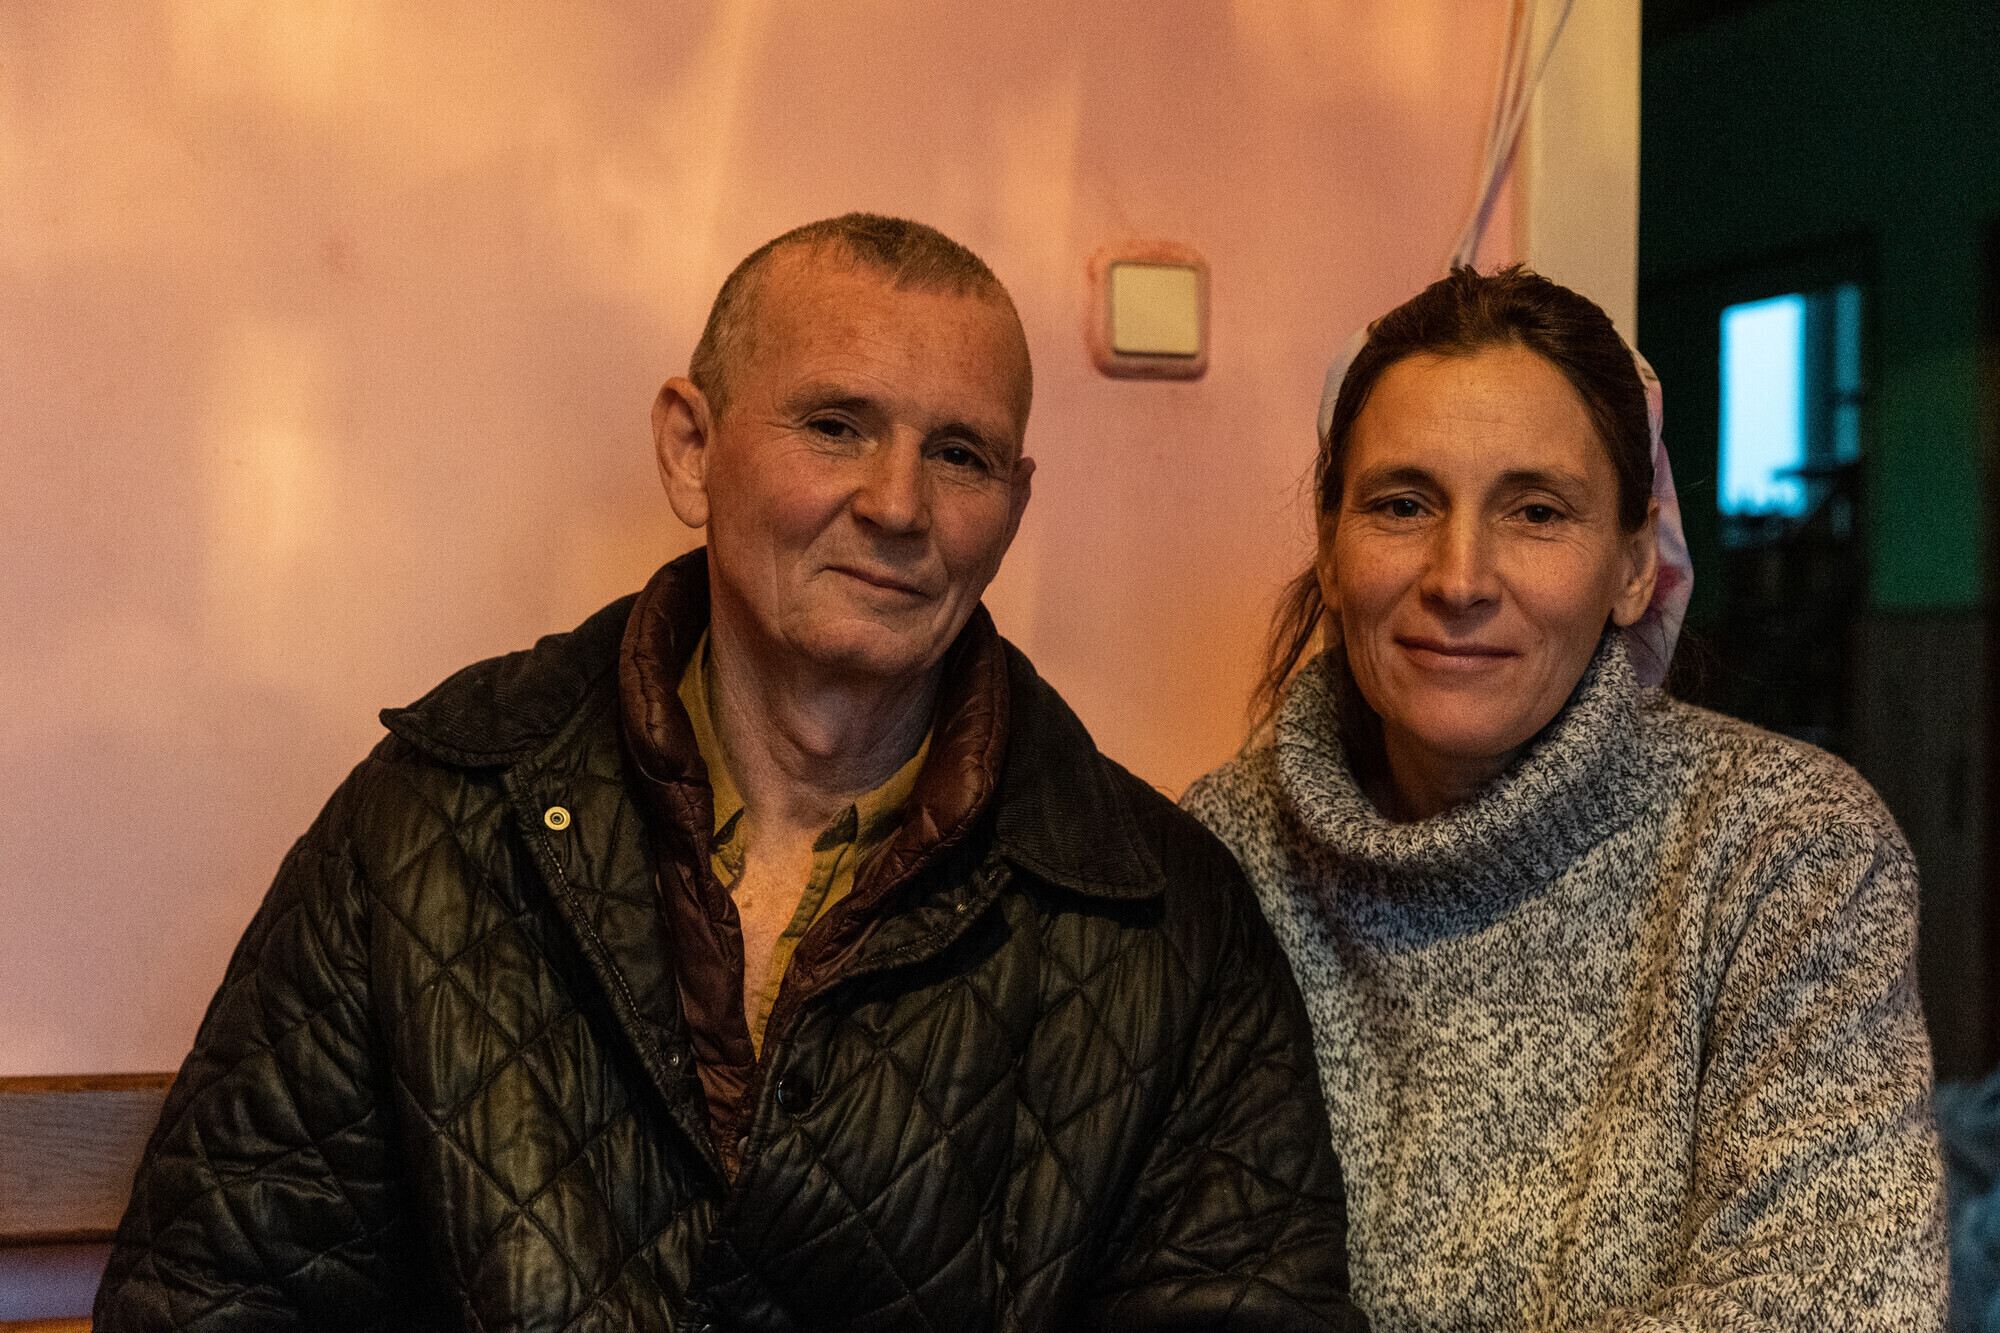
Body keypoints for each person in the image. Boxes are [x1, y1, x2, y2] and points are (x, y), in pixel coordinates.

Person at [96, 215, 1367, 1332]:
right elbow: (216, 1294)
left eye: (960, 455)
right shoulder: (427, 823)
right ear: (690, 449)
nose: (896, 503)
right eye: (834, 424)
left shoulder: (1165, 920)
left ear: (1014, 506)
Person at [1183, 265, 1947, 1331]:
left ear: (1633, 566)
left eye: (1536, 511)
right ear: (1327, 541)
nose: (1458, 577)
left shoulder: (1786, 852)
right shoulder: (1211, 856)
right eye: (1401, 504)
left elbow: (1840, 1306)